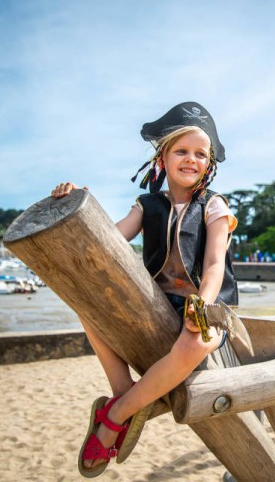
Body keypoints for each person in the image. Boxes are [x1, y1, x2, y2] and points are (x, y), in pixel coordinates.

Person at [52, 102, 238, 477]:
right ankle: (122, 388)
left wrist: (202, 303)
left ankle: (116, 414)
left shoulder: (213, 206)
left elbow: (216, 263)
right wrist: (77, 205)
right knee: (85, 304)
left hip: (206, 304)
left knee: (199, 341)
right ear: (162, 157)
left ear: (210, 163)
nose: (191, 159)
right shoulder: (147, 204)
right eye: (181, 151)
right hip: (155, 300)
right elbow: (112, 239)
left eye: (200, 154)